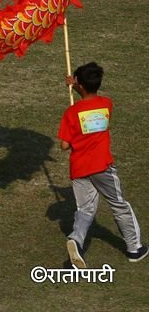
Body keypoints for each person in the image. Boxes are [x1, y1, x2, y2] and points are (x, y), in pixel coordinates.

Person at [58, 62, 148, 268]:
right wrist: (77, 85)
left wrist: (74, 89)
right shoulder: (107, 104)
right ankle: (135, 248)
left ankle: (76, 240)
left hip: (79, 169)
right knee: (119, 205)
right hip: (102, 167)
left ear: (78, 85)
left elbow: (64, 145)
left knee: (85, 210)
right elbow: (90, 97)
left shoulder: (71, 113)